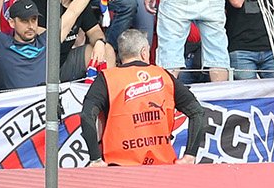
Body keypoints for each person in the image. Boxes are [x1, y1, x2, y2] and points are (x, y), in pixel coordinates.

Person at [79, 28, 210, 165]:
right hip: (162, 167)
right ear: (144, 52)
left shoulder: (107, 78)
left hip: (118, 168)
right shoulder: (164, 76)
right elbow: (197, 112)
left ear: (121, 54)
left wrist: (95, 158)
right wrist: (190, 155)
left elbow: (87, 115)